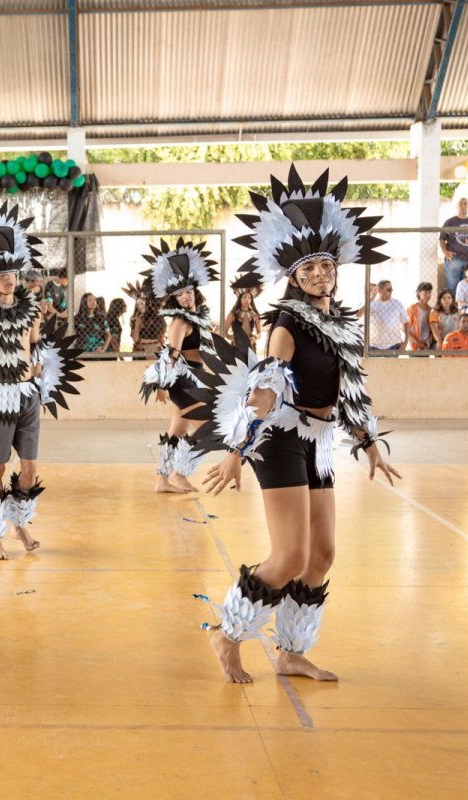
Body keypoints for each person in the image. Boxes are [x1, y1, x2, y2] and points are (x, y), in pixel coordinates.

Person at [190, 166, 400, 684]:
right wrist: (238, 450)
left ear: (336, 268)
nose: (318, 274)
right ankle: (227, 635)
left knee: (321, 557)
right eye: (308, 268)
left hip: (320, 443)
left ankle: (290, 652)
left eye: (325, 265)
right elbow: (264, 390)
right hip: (280, 439)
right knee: (288, 557)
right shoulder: (286, 324)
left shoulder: (339, 324)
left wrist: (369, 443)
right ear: (293, 275)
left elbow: (347, 388)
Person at [0, 202, 85, 560]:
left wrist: (42, 378)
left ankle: (20, 521)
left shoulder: (32, 310)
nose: (9, 277)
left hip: (27, 395)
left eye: (12, 270)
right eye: (1, 273)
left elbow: (37, 350)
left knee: (29, 469)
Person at [138, 238, 219, 493]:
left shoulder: (199, 317)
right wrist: (162, 386)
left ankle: (164, 479)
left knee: (177, 430)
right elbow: (170, 355)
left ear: (195, 292)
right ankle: (181, 471)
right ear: (174, 298)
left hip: (197, 377)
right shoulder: (179, 323)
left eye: (188, 292)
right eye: (180, 295)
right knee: (207, 428)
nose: (185, 297)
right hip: (183, 381)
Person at [440, 197, 468, 292]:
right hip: (454, 258)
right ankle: (453, 307)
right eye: (460, 204)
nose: (463, 206)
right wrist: (445, 251)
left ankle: (465, 307)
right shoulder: (450, 222)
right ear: (456, 206)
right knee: (453, 286)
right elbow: (442, 238)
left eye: (465, 203)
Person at [367, 280, 406, 351]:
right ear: (380, 290)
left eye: (392, 289)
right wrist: (371, 299)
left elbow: (406, 322)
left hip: (394, 345)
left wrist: (405, 343)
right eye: (389, 289)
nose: (391, 291)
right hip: (374, 346)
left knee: (392, 362)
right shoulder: (371, 304)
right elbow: (358, 315)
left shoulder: (397, 304)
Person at [224, 289, 261, 359]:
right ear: (240, 299)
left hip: (251, 348)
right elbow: (224, 331)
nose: (247, 300)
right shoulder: (233, 314)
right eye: (244, 297)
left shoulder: (255, 315)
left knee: (251, 368)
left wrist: (255, 338)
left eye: (249, 298)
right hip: (236, 348)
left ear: (251, 300)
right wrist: (233, 338)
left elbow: (259, 333)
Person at [406, 282, 435, 351]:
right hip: (414, 346)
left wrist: (426, 344)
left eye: (429, 292)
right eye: (425, 292)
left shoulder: (432, 310)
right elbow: (405, 329)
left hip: (427, 346)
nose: (428, 295)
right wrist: (418, 343)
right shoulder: (412, 309)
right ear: (419, 293)